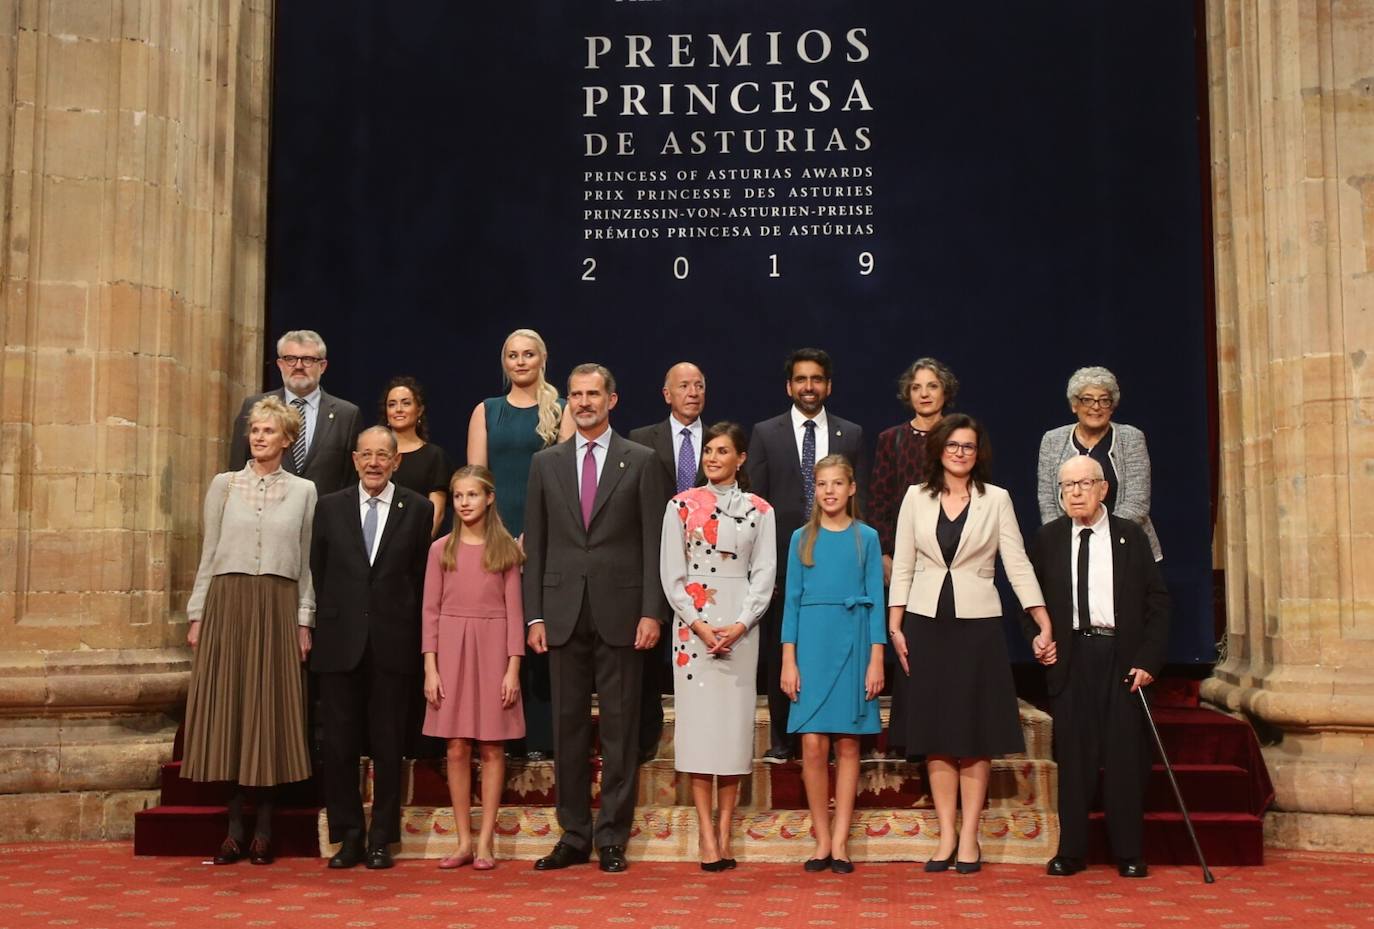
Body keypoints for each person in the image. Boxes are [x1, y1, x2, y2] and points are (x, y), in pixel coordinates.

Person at [887, 414, 1052, 874]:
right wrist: (895, 624)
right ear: (939, 448)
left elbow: (1016, 563)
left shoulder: (995, 499)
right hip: (923, 622)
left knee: (973, 733)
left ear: (979, 453)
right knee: (936, 733)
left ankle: (970, 838)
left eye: (969, 447)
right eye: (954, 445)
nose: (961, 453)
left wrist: (1042, 619)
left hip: (977, 626)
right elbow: (902, 562)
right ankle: (945, 836)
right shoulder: (915, 498)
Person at [522, 364, 669, 874]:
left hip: (624, 614)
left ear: (613, 399)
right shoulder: (546, 463)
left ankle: (611, 836)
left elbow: (655, 544)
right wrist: (534, 614)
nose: (584, 402)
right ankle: (573, 835)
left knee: (620, 728)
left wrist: (653, 610)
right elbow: (536, 542)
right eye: (576, 395)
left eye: (593, 394)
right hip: (561, 613)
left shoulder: (643, 461)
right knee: (566, 728)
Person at [182, 395, 316, 866]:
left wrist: (304, 619)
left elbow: (304, 564)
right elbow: (209, 551)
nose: (259, 437)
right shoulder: (223, 485)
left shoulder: (304, 491)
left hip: (277, 606)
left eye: (268, 431)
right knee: (233, 712)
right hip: (228, 602)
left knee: (269, 712)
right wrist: (198, 614)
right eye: (254, 430)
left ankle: (264, 829)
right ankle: (234, 829)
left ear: (286, 439)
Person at [1026, 456, 1170, 879]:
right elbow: (1030, 602)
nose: (1074, 493)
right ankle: (1071, 851)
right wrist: (1038, 637)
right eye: (1066, 486)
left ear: (1103, 489)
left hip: (1123, 660)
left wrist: (1148, 660)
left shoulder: (1131, 537)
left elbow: (1158, 604)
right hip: (1072, 659)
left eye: (1083, 484)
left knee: (1125, 756)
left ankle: (1128, 852)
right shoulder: (1049, 538)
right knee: (1074, 758)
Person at [310, 427, 435, 870]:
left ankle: (382, 838)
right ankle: (348, 837)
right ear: (355, 459)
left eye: (384, 455)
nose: (375, 462)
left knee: (387, 746)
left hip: (393, 644)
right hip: (339, 643)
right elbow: (318, 574)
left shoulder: (418, 509)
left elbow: (420, 579)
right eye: (367, 455)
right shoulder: (329, 508)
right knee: (340, 747)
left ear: (397, 462)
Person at [659, 422, 776, 871]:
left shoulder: (760, 510)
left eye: (722, 450)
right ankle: (706, 834)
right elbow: (672, 574)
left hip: (742, 625)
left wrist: (742, 622)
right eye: (708, 449)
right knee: (698, 732)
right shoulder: (681, 505)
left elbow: (764, 575)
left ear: (740, 458)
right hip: (694, 627)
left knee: (730, 733)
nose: (711, 457)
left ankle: (726, 829)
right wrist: (700, 625)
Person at [747, 348, 868, 764]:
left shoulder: (850, 434)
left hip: (838, 556)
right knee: (785, 643)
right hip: (782, 556)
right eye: (801, 379)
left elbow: (859, 498)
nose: (809, 387)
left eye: (817, 379)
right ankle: (783, 739)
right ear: (789, 386)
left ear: (828, 385)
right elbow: (757, 503)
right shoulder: (766, 432)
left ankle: (839, 734)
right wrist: (761, 562)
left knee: (836, 646)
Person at [467, 328, 573, 761]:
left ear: (543, 358)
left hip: (544, 538)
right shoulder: (486, 411)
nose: (521, 361)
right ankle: (499, 734)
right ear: (504, 362)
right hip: (494, 537)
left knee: (538, 633)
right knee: (499, 637)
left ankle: (543, 739)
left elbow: (565, 478)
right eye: (513, 355)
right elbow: (475, 477)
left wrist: (537, 532)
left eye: (529, 354)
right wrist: (495, 533)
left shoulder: (562, 410)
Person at [779, 455, 885, 875]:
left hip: (855, 642)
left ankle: (841, 840)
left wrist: (877, 658)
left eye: (837, 483)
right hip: (811, 645)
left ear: (851, 488)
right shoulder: (800, 538)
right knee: (811, 743)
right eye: (822, 484)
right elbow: (789, 604)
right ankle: (821, 837)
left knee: (848, 743)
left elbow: (875, 601)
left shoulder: (867, 538)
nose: (829, 491)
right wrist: (789, 660)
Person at [422, 466, 526, 871]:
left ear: (489, 498)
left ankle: (485, 843)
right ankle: (462, 840)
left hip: (493, 650)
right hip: (450, 650)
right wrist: (431, 668)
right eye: (459, 495)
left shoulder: (505, 552)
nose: (465, 502)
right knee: (456, 746)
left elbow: (515, 615)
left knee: (492, 746)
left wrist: (512, 669)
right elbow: (429, 613)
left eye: (472, 495)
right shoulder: (440, 550)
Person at [867, 357, 958, 758]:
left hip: (954, 557)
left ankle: (950, 730)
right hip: (908, 560)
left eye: (932, 386)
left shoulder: (960, 436)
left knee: (948, 647)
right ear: (909, 394)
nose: (924, 393)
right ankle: (910, 735)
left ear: (945, 392)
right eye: (917, 387)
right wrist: (886, 553)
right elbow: (880, 499)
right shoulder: (892, 439)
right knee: (910, 645)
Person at [630, 361, 707, 765]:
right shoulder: (640, 442)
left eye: (698, 385)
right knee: (647, 656)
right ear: (667, 394)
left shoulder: (719, 440)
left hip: (709, 567)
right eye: (683, 386)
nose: (692, 392)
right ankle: (646, 738)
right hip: (653, 558)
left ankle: (702, 739)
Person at [1037, 366, 1161, 562]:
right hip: (1070, 546)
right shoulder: (1053, 440)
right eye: (1087, 399)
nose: (1096, 407)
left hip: (1125, 546)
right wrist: (1066, 538)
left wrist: (1101, 537)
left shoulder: (1131, 438)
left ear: (1112, 407)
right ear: (1074, 405)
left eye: (1104, 400)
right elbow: (1047, 502)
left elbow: (1137, 502)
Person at [231, 329, 363, 496]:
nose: (298, 366)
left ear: (322, 366)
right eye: (290, 359)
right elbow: (238, 467)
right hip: (265, 513)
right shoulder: (254, 407)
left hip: (324, 517)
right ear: (280, 365)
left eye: (308, 359)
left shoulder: (347, 415)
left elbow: (352, 479)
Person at [382, 376, 452, 539]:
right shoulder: (374, 457)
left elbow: (437, 512)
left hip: (416, 546)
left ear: (419, 410)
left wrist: (418, 549)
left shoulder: (434, 456)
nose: (398, 409)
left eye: (406, 403)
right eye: (392, 404)